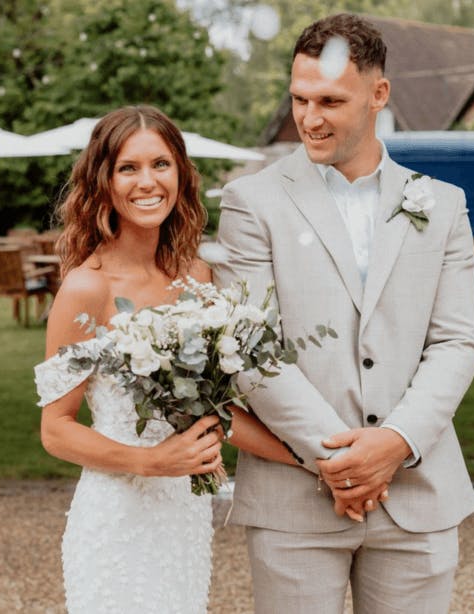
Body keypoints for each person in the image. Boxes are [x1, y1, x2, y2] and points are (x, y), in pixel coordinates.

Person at [213, 13, 474, 614]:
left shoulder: (441, 205)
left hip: (419, 493)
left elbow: (457, 342)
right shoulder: (250, 202)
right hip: (295, 498)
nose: (310, 118)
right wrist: (341, 462)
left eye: (331, 100)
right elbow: (250, 350)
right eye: (300, 99)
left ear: (378, 94)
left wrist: (394, 442)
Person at [33, 105, 298, 614]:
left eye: (160, 164)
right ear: (103, 183)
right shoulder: (86, 288)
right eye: (127, 168)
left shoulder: (196, 278)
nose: (146, 181)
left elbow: (212, 414)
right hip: (117, 521)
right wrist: (149, 462)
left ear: (180, 173)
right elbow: (56, 429)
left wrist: (311, 461)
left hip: (183, 517)